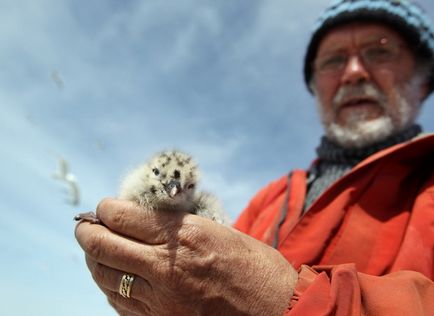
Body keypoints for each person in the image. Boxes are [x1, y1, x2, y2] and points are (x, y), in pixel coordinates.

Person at [75, 0, 434, 315]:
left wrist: (278, 301)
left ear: (424, 77)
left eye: (380, 51)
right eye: (333, 60)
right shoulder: (272, 197)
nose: (354, 72)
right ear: (315, 85)